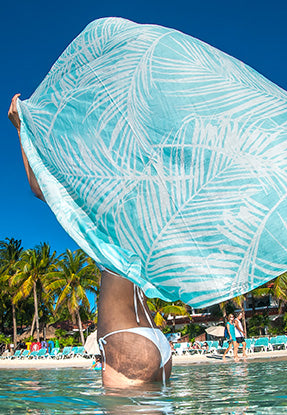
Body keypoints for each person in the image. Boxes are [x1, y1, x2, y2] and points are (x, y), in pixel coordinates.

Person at [8, 93, 172, 389]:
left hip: (124, 338)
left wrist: (21, 129)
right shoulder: (146, 216)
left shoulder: (105, 215)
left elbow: (40, 189)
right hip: (157, 340)